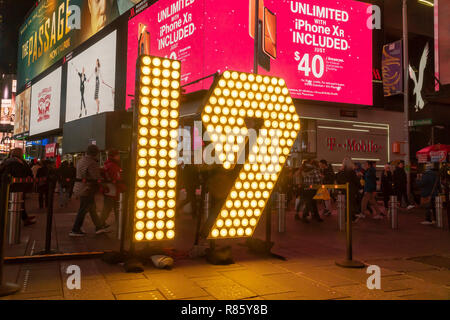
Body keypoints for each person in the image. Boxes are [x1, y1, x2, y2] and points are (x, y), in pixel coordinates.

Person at [70, 145, 109, 237]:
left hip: (79, 187)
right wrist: (104, 186)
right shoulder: (91, 162)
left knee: (92, 209)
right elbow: (96, 177)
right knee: (83, 210)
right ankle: (75, 229)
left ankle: (99, 227)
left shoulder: (81, 160)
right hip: (86, 189)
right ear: (95, 153)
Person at [0, 148, 36, 226]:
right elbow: (28, 173)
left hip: (6, 187)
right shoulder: (21, 163)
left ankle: (24, 218)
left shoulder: (6, 162)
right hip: (18, 188)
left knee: (6, 203)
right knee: (19, 203)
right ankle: (24, 219)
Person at [100, 149, 125, 226]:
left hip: (108, 190)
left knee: (109, 208)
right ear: (114, 156)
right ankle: (100, 225)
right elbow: (117, 179)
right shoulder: (113, 166)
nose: (119, 157)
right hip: (113, 191)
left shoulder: (107, 164)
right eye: (118, 155)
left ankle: (101, 224)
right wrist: (123, 188)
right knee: (111, 208)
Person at [336, 158, 362, 222]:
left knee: (346, 205)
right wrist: (360, 185)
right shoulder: (351, 171)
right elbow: (356, 181)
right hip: (351, 190)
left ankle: (348, 218)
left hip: (343, 190)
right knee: (350, 205)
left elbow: (337, 179)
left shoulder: (341, 171)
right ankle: (350, 218)